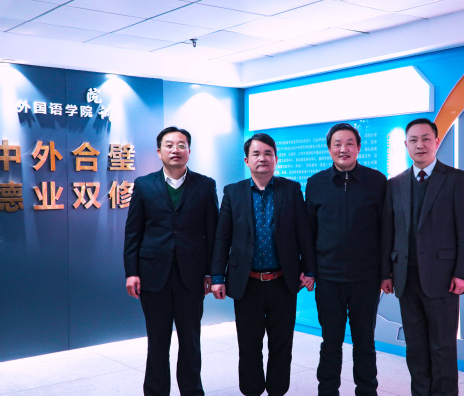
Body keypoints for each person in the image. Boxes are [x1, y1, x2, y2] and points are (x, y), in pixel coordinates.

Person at [210, 133, 316, 396]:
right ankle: (252, 390)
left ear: (276, 159)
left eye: (268, 153)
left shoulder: (291, 189)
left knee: (282, 344)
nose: (262, 158)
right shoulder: (233, 192)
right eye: (256, 154)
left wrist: (310, 269)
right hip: (247, 283)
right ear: (247, 160)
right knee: (249, 345)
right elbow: (222, 238)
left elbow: (304, 232)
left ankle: (278, 390)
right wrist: (217, 276)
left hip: (283, 282)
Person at [380, 118, 464, 396]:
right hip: (406, 279)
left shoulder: (456, 179)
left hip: (443, 279)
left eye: (425, 139)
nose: (419, 145)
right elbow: (388, 232)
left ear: (436, 142)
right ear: (406, 144)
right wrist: (386, 273)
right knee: (415, 347)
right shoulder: (395, 184)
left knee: (442, 348)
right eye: (413, 140)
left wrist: (463, 273)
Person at [123, 126, 219, 396]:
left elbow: (213, 232)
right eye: (169, 145)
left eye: (181, 145)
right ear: (159, 151)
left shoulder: (205, 185)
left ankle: (192, 391)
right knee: (157, 341)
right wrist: (131, 272)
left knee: (191, 341)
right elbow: (133, 232)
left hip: (192, 276)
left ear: (189, 150)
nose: (175, 150)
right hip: (153, 275)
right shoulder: (144, 184)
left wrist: (212, 273)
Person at [305, 123, 387, 396]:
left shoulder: (376, 181)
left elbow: (385, 230)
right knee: (330, 342)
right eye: (337, 144)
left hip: (366, 278)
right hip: (328, 278)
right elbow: (309, 231)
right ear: (329, 149)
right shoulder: (316, 183)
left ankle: (367, 391)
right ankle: (328, 391)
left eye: (350, 143)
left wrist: (385, 273)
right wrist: (309, 270)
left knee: (365, 342)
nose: (344, 149)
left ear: (358, 147)